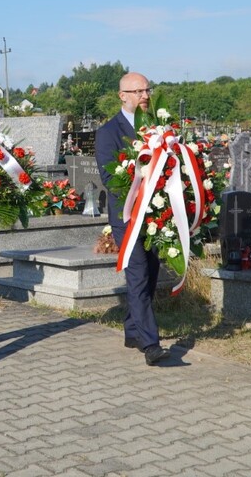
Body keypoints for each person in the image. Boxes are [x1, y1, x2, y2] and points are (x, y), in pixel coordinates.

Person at [95, 72, 171, 366]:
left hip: (156, 214)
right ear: (122, 95)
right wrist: (138, 178)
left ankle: (132, 329)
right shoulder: (108, 132)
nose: (144, 95)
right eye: (137, 91)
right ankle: (151, 344)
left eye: (147, 89)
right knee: (138, 273)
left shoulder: (157, 128)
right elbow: (107, 177)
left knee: (150, 272)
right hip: (126, 215)